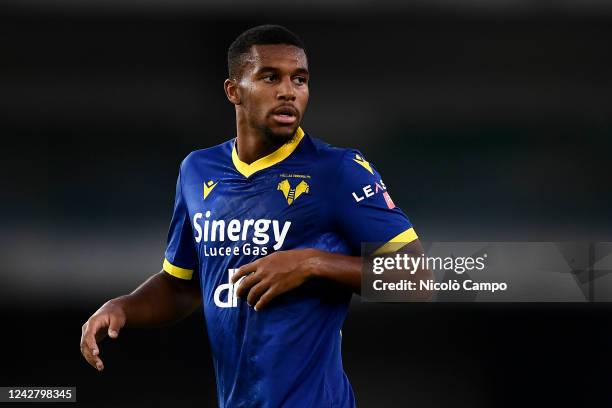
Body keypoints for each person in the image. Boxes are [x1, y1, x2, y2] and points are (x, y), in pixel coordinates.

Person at [80, 24, 429, 407]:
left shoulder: (338, 170)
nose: (288, 91)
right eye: (270, 77)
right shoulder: (198, 171)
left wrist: (313, 262)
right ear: (233, 91)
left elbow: (421, 277)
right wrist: (124, 307)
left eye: (300, 79)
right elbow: (182, 285)